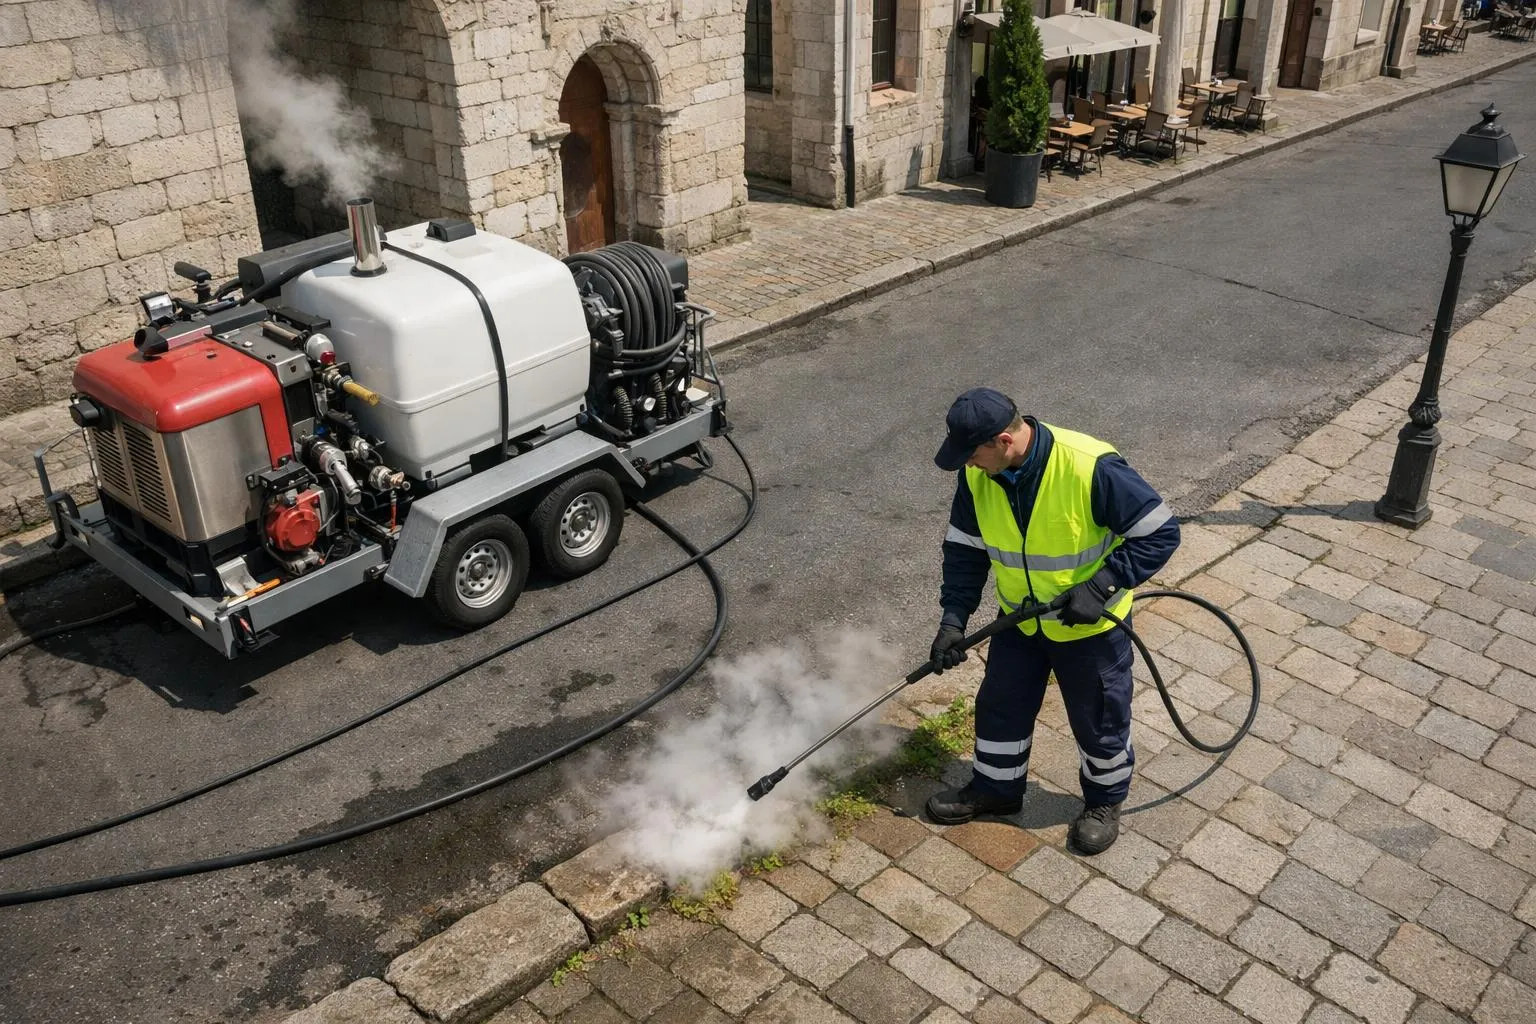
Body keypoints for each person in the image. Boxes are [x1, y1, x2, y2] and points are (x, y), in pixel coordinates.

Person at [925, 388, 1180, 854]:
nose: (970, 464)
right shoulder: (979, 476)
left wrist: (1101, 587)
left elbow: (1159, 533)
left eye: (975, 454)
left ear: (1004, 440)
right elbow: (964, 551)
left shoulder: (1090, 465)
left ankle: (1104, 801)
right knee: (1001, 706)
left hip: (1091, 629)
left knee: (1099, 719)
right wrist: (953, 621)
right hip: (1021, 623)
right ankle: (997, 791)